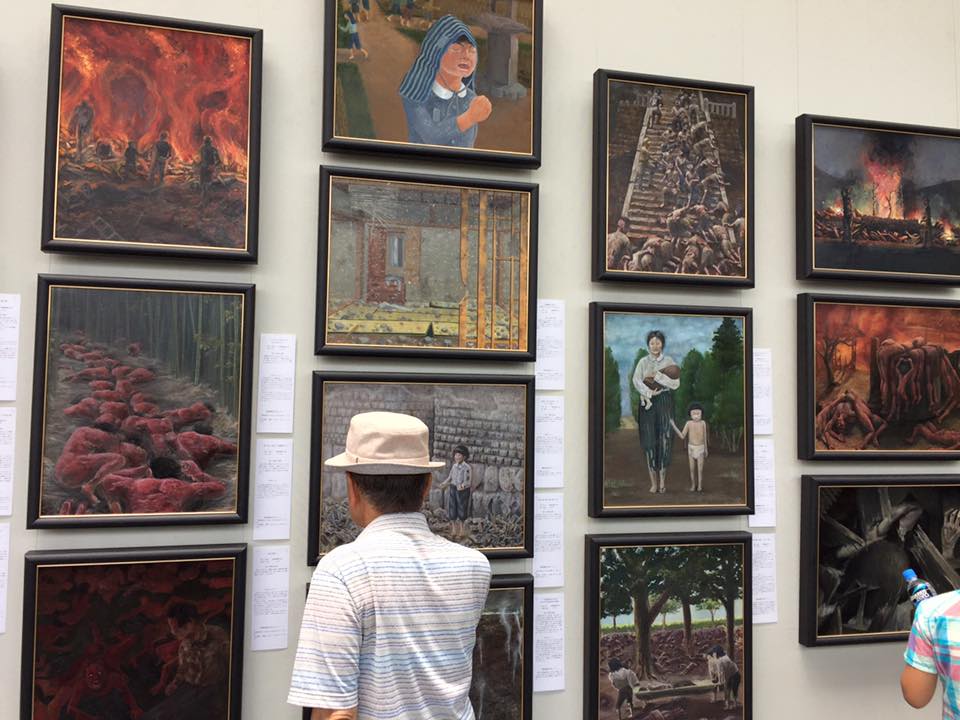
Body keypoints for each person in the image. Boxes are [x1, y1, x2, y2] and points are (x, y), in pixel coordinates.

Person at [288, 411, 491, 719]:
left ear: (352, 487)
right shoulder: (475, 566)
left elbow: (336, 712)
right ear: (427, 485)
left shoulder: (341, 571)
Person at [397, 15, 491, 148]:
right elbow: (432, 137)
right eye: (456, 49)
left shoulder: (471, 98)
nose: (466, 55)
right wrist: (469, 117)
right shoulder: (416, 93)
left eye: (472, 50)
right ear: (436, 52)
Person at [140, 603, 231, 719]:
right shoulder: (184, 645)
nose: (172, 632)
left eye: (175, 628)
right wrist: (174, 684)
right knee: (154, 716)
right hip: (189, 688)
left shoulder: (217, 635)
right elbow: (183, 668)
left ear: (190, 623)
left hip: (213, 691)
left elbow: (230, 662)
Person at [632, 331, 680, 494]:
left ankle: (662, 482)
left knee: (665, 439)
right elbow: (636, 380)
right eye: (652, 343)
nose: (655, 346)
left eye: (658, 342)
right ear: (648, 345)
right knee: (649, 441)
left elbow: (675, 384)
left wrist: (658, 376)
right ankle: (653, 483)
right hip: (648, 403)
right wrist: (649, 392)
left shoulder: (669, 361)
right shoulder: (643, 362)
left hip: (665, 402)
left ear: (662, 344)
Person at [671, 402, 708, 492]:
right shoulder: (688, 423)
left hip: (701, 448)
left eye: (698, 413)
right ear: (690, 414)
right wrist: (673, 425)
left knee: (700, 469)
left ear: (701, 414)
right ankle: (693, 485)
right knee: (692, 469)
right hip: (691, 448)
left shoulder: (703, 423)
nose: (696, 416)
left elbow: (705, 437)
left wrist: (706, 449)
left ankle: (699, 486)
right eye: (694, 413)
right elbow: (682, 436)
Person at [439, 444, 472, 538]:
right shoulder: (454, 466)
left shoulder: (467, 468)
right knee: (452, 507)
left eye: (459, 455)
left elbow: (468, 481)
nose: (457, 457)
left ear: (464, 457)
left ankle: (461, 530)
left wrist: (462, 486)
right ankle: (454, 529)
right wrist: (444, 483)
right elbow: (450, 477)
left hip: (462, 491)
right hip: (453, 488)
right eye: (455, 455)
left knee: (462, 508)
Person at [706, 645, 741, 710]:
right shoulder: (725, 657)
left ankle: (731, 704)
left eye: (714, 653)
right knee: (730, 689)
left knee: (731, 689)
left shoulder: (720, 660)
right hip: (734, 674)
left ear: (716, 653)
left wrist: (720, 681)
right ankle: (730, 704)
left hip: (734, 675)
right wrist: (721, 680)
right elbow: (721, 672)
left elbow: (721, 672)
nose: (713, 654)